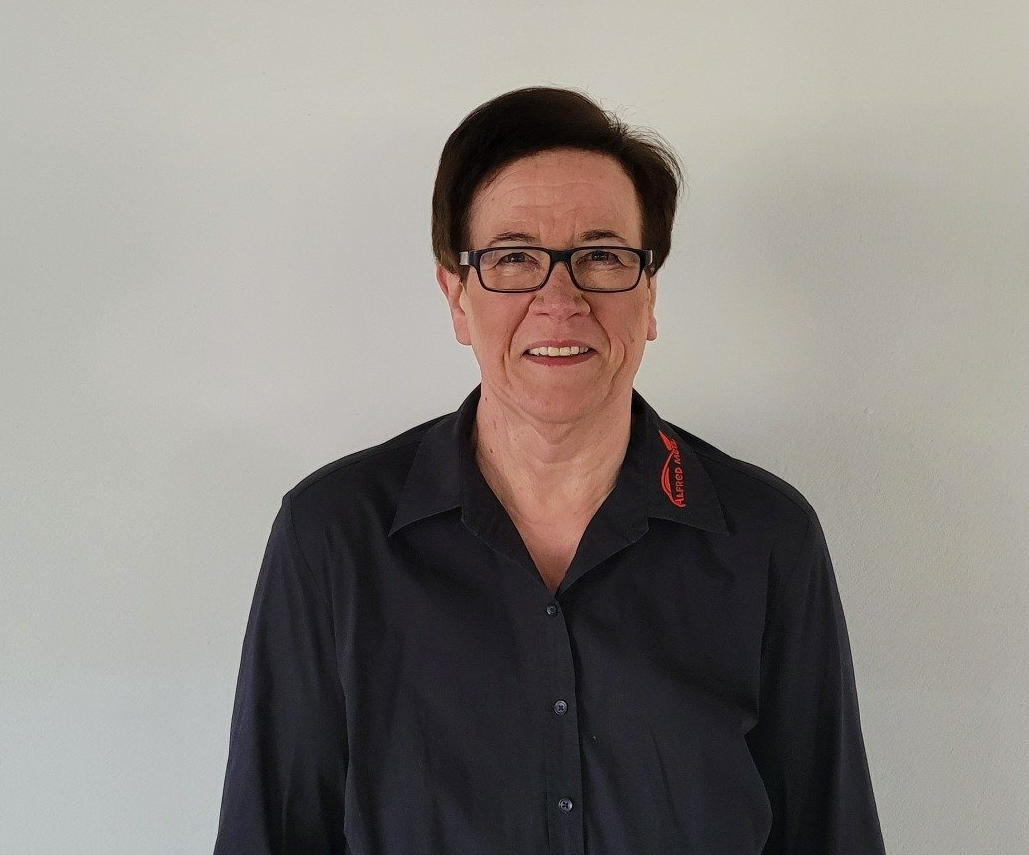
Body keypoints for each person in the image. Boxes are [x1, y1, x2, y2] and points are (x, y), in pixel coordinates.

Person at [213, 87, 887, 854]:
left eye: (601, 255)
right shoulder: (331, 537)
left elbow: (828, 832)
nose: (559, 299)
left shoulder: (765, 538)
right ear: (456, 296)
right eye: (513, 258)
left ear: (649, 294)